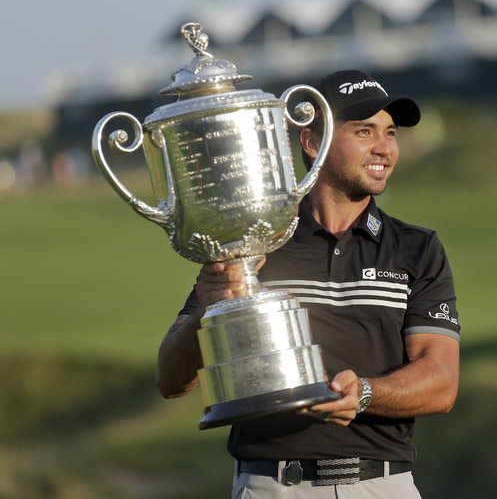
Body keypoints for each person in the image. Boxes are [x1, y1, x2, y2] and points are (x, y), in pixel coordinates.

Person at [156, 69, 461, 498]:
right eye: (363, 131)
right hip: (272, 487)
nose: (384, 148)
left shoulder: (417, 248)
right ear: (312, 143)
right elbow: (172, 380)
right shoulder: (252, 243)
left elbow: (442, 381)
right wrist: (209, 309)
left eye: (390, 133)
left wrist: (366, 394)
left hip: (382, 486)